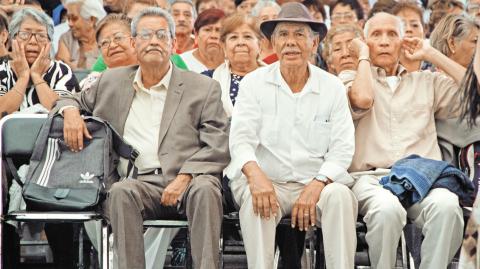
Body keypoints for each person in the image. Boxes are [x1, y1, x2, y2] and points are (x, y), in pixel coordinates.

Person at [53, 7, 230, 269]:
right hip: (139, 182)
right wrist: (70, 112)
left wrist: (184, 177)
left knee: (207, 190)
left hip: (190, 180)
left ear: (173, 43)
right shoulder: (110, 82)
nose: (154, 41)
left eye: (161, 34)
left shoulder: (202, 87)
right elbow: (68, 98)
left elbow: (217, 143)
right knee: (121, 191)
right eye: (146, 35)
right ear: (134, 43)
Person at [227, 3, 357, 268]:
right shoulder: (253, 83)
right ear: (273, 43)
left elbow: (343, 148)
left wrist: (318, 183)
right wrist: (255, 175)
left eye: (299, 34)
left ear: (314, 42)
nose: (291, 42)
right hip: (268, 180)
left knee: (340, 197)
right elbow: (241, 140)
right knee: (255, 201)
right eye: (283, 35)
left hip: (315, 183)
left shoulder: (331, 86)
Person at [342, 12, 467, 269]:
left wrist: (430, 54)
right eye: (376, 35)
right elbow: (363, 99)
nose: (385, 41)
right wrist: (363, 57)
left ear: (403, 42)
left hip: (422, 178)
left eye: (392, 34)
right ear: (364, 42)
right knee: (387, 210)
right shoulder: (350, 79)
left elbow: (473, 92)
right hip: (371, 179)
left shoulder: (427, 82)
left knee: (447, 206)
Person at [0, 7, 78, 114]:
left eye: (41, 36)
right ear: (13, 39)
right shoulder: (2, 71)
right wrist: (23, 78)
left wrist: (36, 76)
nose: (33, 41)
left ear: (49, 43)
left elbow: (64, 112)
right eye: (25, 34)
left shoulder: (61, 71)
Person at [56, 0, 106, 70]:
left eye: (74, 19)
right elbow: (62, 69)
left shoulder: (105, 38)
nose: (70, 24)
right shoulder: (66, 38)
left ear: (92, 20)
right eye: (68, 18)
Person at [180, 9, 225, 73]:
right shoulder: (180, 63)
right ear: (196, 34)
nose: (213, 36)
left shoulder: (233, 62)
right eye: (207, 30)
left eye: (218, 30)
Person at [391, 1, 426, 72]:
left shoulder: (436, 65)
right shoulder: (385, 65)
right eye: (402, 25)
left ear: (424, 31)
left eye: (415, 25)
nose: (408, 29)